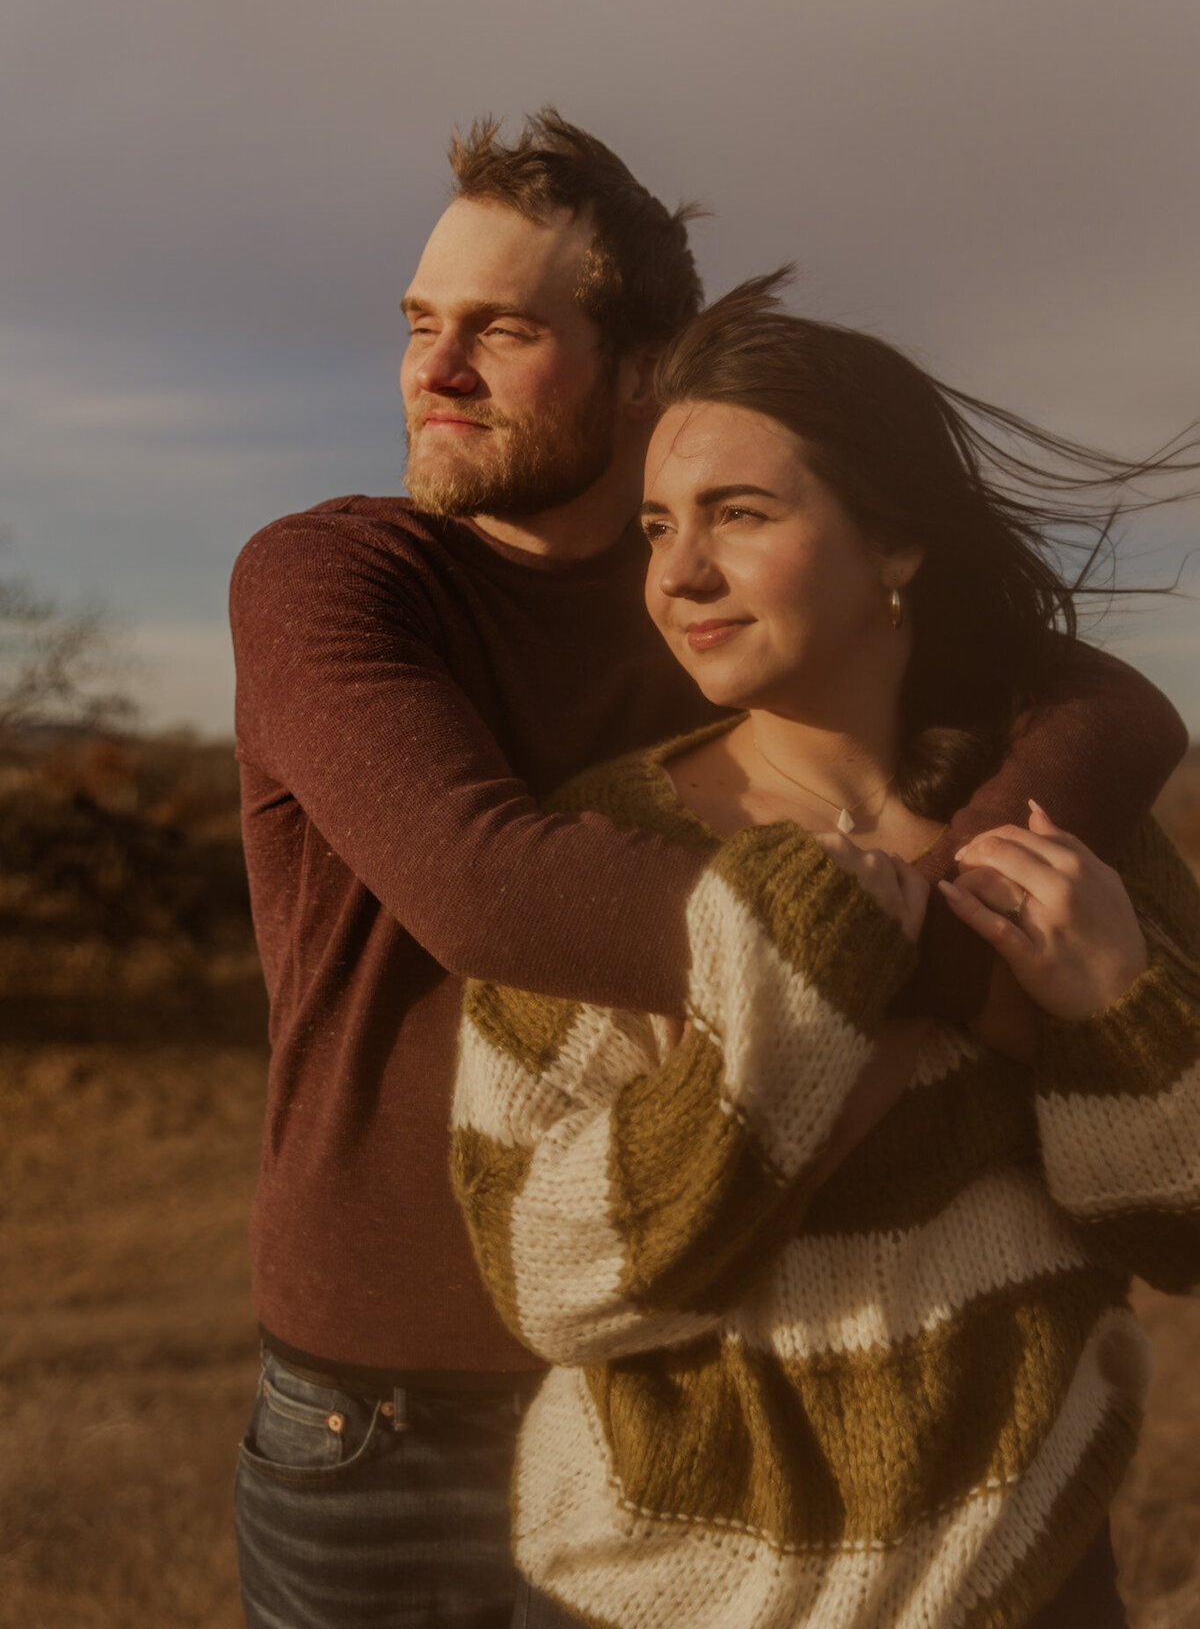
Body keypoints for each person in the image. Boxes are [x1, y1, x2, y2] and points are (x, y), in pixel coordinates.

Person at [230, 116, 1186, 1629]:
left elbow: (1107, 704)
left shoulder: (731, 606)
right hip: (390, 1399)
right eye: (420, 324)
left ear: (643, 371)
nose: (434, 369)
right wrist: (975, 977)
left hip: (716, 1393)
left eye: (502, 329)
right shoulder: (338, 580)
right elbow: (495, 893)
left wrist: (1082, 972)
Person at [451, 275, 1200, 1629]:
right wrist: (800, 1004)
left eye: (741, 515)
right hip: (657, 1595)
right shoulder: (606, 850)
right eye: (660, 526)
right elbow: (544, 1279)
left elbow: (1185, 1225)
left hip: (1024, 1582)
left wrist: (1117, 1010)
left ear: (895, 545)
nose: (678, 574)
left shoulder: (1061, 836)